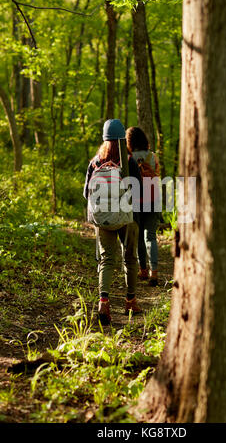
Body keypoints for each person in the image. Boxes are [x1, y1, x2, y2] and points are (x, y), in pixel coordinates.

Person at [83, 119, 142, 325]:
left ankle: (103, 302)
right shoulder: (129, 161)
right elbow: (138, 192)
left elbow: (86, 193)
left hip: (103, 218)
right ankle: (130, 301)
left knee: (107, 260)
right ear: (121, 139)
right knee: (130, 258)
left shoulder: (95, 162)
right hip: (126, 217)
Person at [126, 126, 160, 287]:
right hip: (154, 198)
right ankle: (155, 272)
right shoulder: (153, 156)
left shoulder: (129, 157)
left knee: (139, 237)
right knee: (151, 236)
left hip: (137, 200)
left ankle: (143, 269)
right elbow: (157, 173)